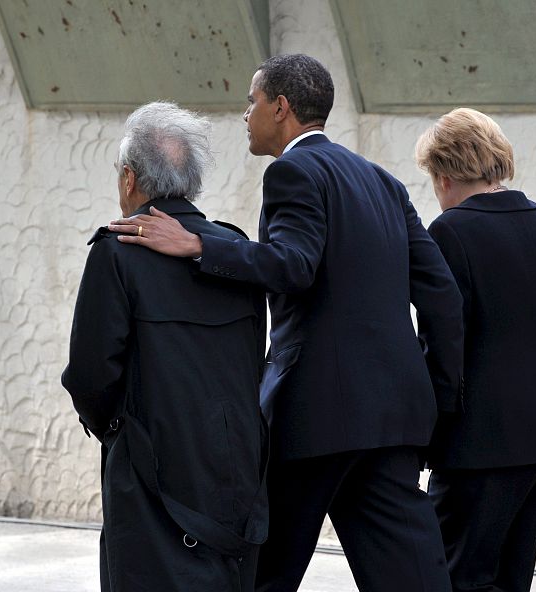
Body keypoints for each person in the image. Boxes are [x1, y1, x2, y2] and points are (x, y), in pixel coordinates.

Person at [108, 54, 463, 591]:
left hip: (316, 415)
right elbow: (441, 294)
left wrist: (198, 244)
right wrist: (435, 397)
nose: (245, 115)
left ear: (281, 107)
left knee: (263, 572)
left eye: (251, 103)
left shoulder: (292, 172)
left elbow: (294, 265)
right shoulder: (384, 183)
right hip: (394, 417)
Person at [61, 102, 268, 592]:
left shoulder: (116, 251)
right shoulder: (232, 250)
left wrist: (117, 429)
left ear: (130, 179)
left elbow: (90, 375)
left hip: (149, 467)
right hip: (234, 463)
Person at [414, 107, 536, 591]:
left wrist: (429, 435)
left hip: (483, 442)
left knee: (457, 575)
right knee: (513, 576)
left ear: (444, 174)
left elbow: (444, 344)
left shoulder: (450, 232)